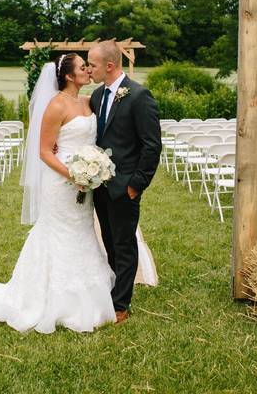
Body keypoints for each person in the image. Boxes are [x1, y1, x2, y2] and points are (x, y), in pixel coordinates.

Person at [0, 54, 116, 333]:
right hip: (61, 183)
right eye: (82, 67)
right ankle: (47, 297)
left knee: (82, 231)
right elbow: (44, 151)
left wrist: (93, 170)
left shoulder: (87, 102)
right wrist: (73, 174)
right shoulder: (55, 105)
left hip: (87, 182)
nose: (87, 70)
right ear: (69, 76)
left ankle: (89, 294)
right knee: (57, 232)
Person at [87, 40, 162, 323]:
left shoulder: (139, 96)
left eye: (92, 64)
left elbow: (152, 145)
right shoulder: (96, 96)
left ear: (109, 66)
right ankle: (114, 289)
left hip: (125, 187)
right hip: (99, 187)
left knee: (125, 244)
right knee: (109, 241)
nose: (88, 69)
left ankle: (120, 305)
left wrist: (136, 185)